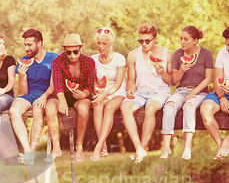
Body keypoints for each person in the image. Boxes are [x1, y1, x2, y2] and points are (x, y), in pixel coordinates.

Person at [120, 23, 173, 163]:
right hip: (140, 93)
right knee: (125, 107)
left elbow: (172, 81)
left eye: (147, 40)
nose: (144, 44)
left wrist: (162, 72)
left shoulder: (168, 54)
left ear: (155, 38)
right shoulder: (132, 55)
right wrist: (130, 90)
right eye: (141, 40)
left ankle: (142, 149)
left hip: (160, 93)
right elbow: (131, 80)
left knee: (150, 107)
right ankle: (138, 147)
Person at [161, 26, 213, 160]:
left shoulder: (206, 54)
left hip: (200, 92)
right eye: (180, 39)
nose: (182, 42)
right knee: (169, 106)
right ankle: (166, 146)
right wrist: (182, 70)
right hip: (181, 90)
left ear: (195, 40)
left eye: (185, 39)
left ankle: (187, 147)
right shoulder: (178, 54)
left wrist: (194, 92)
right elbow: (174, 80)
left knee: (189, 107)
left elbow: (208, 79)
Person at [9, 29, 57, 164]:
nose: (26, 48)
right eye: (24, 45)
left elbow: (54, 86)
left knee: (37, 109)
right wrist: (22, 76)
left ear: (39, 44)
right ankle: (27, 150)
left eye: (29, 45)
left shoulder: (54, 59)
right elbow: (23, 92)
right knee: (14, 110)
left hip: (47, 95)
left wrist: (43, 97)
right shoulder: (24, 61)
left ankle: (32, 151)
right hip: (30, 95)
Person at [45, 34, 96, 162]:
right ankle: (56, 148)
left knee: (84, 108)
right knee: (50, 107)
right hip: (61, 93)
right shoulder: (58, 61)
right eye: (68, 52)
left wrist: (84, 94)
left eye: (75, 51)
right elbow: (57, 83)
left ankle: (79, 145)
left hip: (81, 94)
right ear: (64, 51)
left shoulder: (89, 62)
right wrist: (61, 99)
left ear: (81, 49)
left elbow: (90, 86)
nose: (72, 55)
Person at [90, 27, 126, 162]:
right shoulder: (93, 59)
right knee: (97, 106)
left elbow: (118, 83)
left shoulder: (119, 58)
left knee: (110, 107)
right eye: (98, 43)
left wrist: (105, 94)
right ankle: (104, 147)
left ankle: (98, 146)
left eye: (104, 44)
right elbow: (93, 82)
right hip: (103, 91)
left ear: (111, 43)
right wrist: (97, 90)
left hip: (118, 91)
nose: (101, 46)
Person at [200, 27, 229, 160]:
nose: (227, 48)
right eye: (226, 44)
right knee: (205, 109)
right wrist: (222, 97)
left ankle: (227, 144)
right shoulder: (222, 53)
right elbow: (217, 80)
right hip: (223, 92)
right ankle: (220, 145)